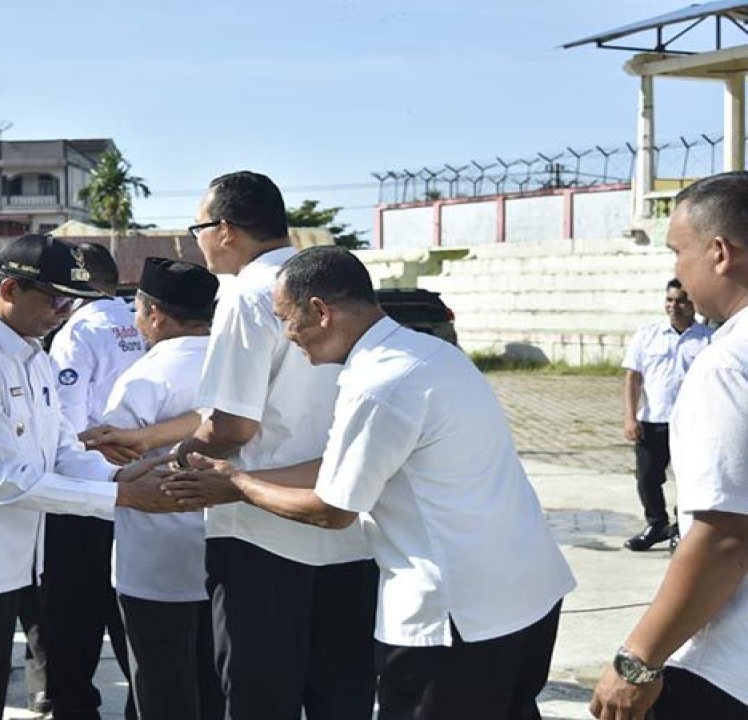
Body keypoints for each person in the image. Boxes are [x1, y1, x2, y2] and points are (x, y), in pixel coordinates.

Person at [167, 245, 577, 719]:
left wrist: (239, 485)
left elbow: (332, 509)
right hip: (526, 597)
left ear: (319, 312)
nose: (286, 334)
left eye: (285, 319)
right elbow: (342, 465)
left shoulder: (379, 385)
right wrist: (240, 479)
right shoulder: (429, 355)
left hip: (454, 617)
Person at [0, 233, 180, 720]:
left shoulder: (32, 353)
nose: (63, 311)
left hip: (8, 563)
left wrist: (126, 473)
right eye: (53, 298)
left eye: (71, 300)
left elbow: (62, 452)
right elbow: (5, 480)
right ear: (8, 289)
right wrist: (124, 498)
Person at [165, 172, 377, 719]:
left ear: (227, 229)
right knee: (342, 694)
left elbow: (232, 426)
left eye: (199, 228)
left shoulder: (246, 294)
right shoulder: (330, 284)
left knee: (260, 696)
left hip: (262, 532)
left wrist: (181, 455)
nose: (199, 240)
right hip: (347, 524)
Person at [590, 172, 748, 719]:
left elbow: (725, 536)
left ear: (720, 252)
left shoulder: (727, 364)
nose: (677, 269)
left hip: (732, 673)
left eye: (679, 252)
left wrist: (638, 660)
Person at [100, 257, 223, 720]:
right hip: (225, 548)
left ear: (156, 315)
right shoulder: (239, 367)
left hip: (156, 558)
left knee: (160, 683)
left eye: (136, 309)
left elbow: (110, 459)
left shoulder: (144, 377)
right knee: (216, 681)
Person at [43, 242, 145, 720]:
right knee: (129, 612)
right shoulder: (137, 320)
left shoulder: (76, 331)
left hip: (86, 487)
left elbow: (67, 428)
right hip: (136, 482)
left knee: (72, 615)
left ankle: (74, 707)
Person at [620, 278, 711, 551]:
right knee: (647, 477)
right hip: (652, 421)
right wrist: (630, 417)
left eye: (681, 300)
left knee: (688, 479)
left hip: (692, 424)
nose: (674, 306)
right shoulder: (647, 335)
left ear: (693, 303)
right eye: (670, 300)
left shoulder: (708, 340)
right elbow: (633, 378)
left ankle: (682, 529)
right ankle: (656, 524)